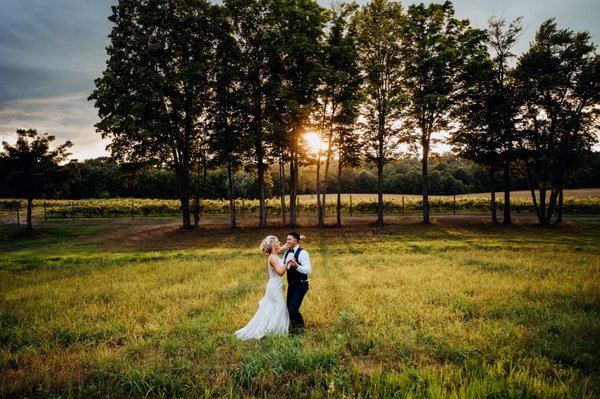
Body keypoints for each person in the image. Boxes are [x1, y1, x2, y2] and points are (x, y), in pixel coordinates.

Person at [235, 235, 289, 340]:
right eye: (277, 242)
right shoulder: (273, 258)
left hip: (275, 285)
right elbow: (280, 272)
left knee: (273, 307)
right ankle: (275, 331)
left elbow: (285, 247)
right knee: (279, 306)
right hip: (274, 287)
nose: (280, 243)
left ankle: (273, 329)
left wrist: (296, 239)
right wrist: (287, 262)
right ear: (273, 245)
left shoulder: (275, 254)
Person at [282, 232, 311, 334]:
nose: (287, 241)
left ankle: (301, 330)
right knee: (289, 309)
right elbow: (282, 267)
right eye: (287, 239)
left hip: (301, 284)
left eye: (289, 239)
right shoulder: (286, 253)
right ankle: (295, 329)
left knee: (293, 309)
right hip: (291, 285)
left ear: (296, 240)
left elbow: (308, 270)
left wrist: (297, 266)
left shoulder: (303, 253)